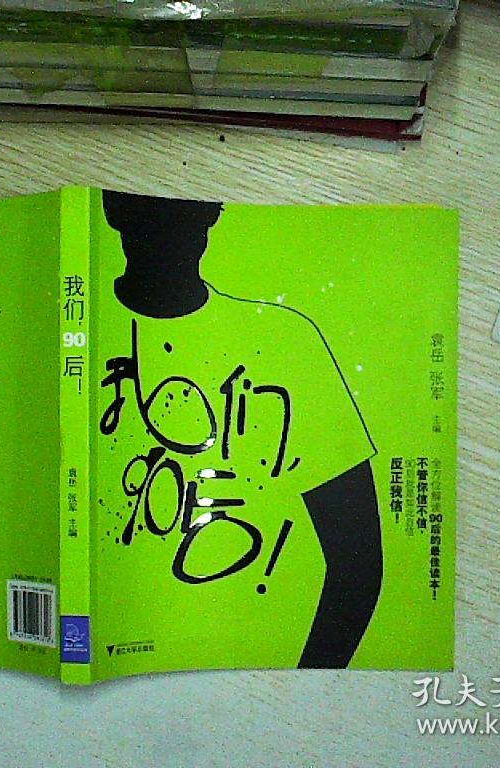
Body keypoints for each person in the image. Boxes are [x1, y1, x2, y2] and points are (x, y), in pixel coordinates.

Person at [98, 191, 382, 668]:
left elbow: (357, 560)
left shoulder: (283, 342)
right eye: (153, 211)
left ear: (212, 214)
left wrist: (304, 686)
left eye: (184, 211)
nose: (168, 229)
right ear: (113, 211)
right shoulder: (73, 334)